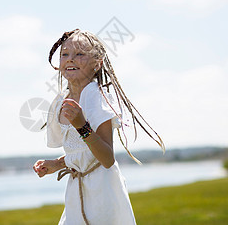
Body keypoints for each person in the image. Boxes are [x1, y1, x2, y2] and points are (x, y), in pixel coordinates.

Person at [33, 29, 164, 225]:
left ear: (97, 63)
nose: (70, 59)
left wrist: (82, 125)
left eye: (79, 54)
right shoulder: (61, 100)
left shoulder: (97, 97)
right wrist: (57, 164)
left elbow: (107, 158)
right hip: (76, 191)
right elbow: (81, 151)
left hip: (103, 191)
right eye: (65, 54)